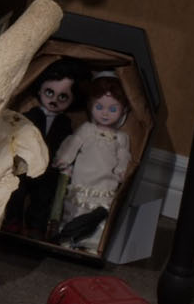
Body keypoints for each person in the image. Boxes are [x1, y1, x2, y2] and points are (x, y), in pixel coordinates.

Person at [7, 56, 88, 236]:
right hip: (24, 165)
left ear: (73, 100)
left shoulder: (65, 124)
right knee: (16, 192)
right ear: (40, 90)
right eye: (49, 93)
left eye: (63, 97)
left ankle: (36, 227)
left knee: (43, 198)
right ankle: (12, 221)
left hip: (49, 169)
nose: (54, 100)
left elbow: (67, 145)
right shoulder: (30, 116)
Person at [52, 77, 134, 251]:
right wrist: (64, 158)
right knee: (75, 208)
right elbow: (74, 143)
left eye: (112, 109)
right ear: (90, 106)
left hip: (105, 183)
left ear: (123, 110)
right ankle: (68, 236)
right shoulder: (87, 129)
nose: (105, 113)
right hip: (82, 180)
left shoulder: (121, 138)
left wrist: (121, 170)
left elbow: (124, 156)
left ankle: (92, 242)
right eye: (99, 107)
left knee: (97, 213)